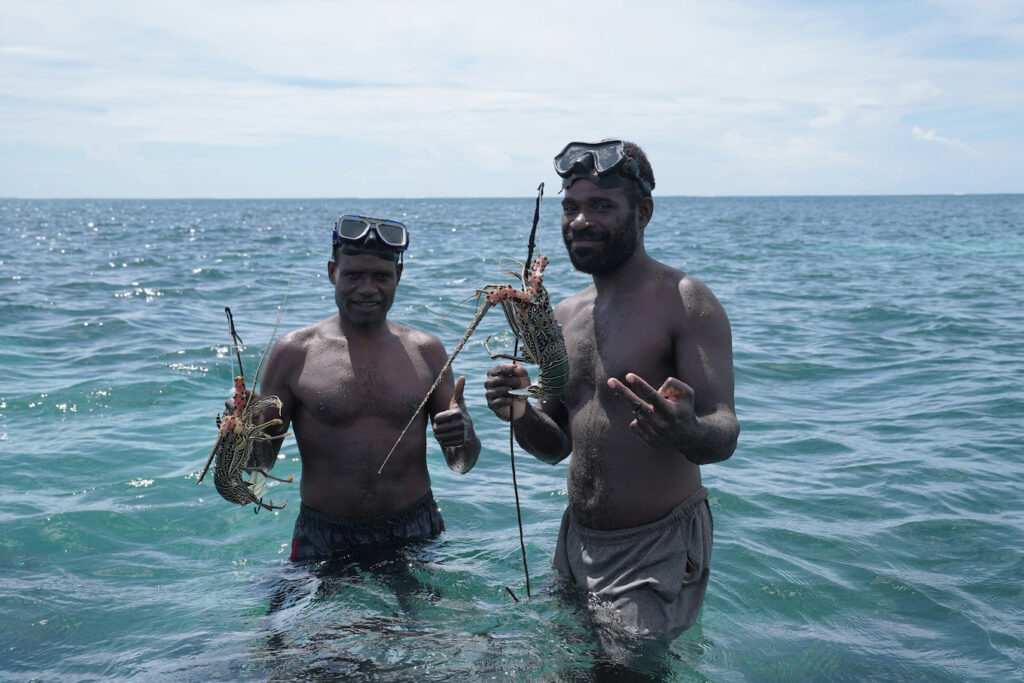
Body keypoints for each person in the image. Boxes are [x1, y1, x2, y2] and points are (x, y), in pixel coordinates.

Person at [484, 140, 739, 640]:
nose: (580, 220)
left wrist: (685, 430)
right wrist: (519, 413)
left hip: (656, 546)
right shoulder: (563, 316)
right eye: (571, 207)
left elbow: (724, 430)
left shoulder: (684, 300)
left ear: (642, 212)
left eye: (601, 206)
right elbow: (556, 446)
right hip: (576, 544)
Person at [249, 214, 481, 562]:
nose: (368, 288)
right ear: (332, 272)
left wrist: (463, 434)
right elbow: (260, 467)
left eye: (381, 276)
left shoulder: (427, 351)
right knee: (277, 619)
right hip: (324, 535)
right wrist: (241, 433)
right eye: (353, 275)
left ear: (398, 276)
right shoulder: (294, 352)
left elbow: (461, 463)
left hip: (415, 530)